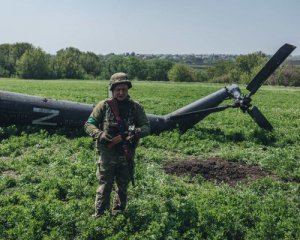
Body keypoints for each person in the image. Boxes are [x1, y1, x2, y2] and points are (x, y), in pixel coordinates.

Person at [84, 72, 150, 217]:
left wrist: (136, 132)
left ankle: (118, 214)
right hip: (107, 156)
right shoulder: (103, 106)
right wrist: (100, 134)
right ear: (112, 90)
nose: (121, 93)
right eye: (117, 89)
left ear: (128, 90)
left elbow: (146, 126)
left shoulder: (136, 107)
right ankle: (100, 215)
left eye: (124, 89)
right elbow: (89, 124)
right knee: (104, 186)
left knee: (122, 188)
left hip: (126, 155)